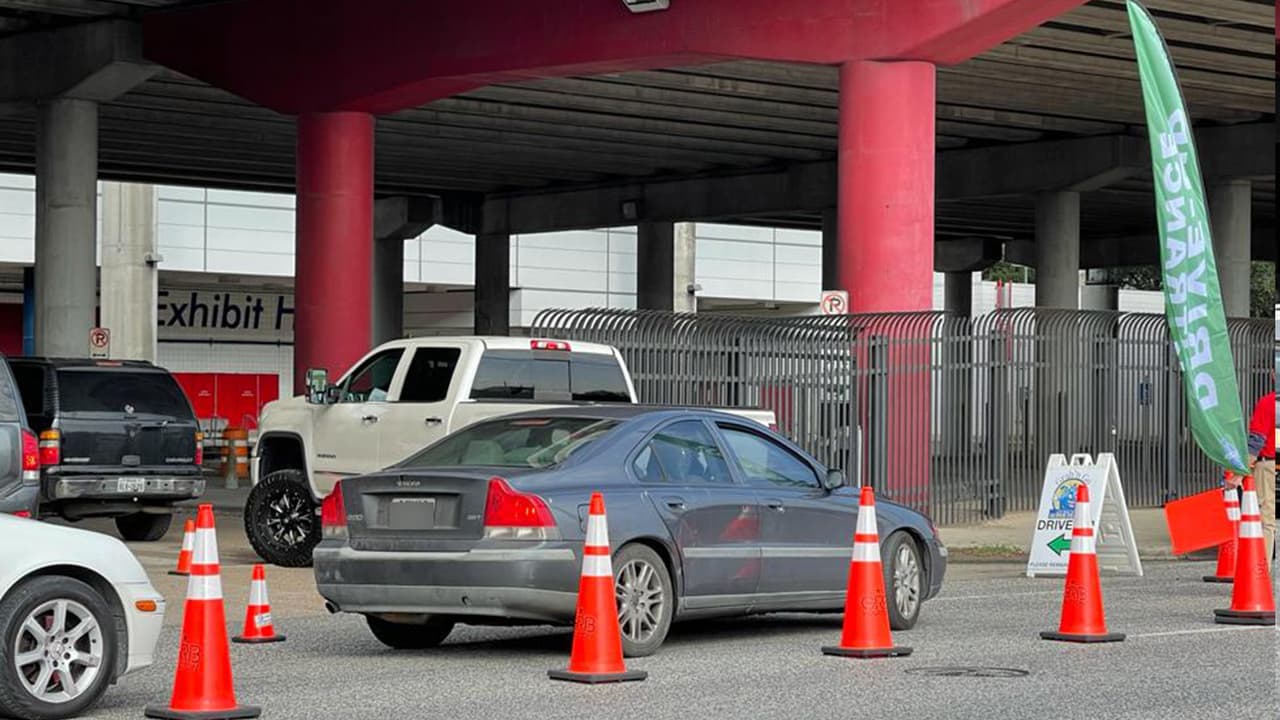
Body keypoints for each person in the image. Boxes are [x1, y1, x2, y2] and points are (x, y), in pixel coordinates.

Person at [1228, 382, 1275, 561]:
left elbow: (1257, 441)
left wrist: (1240, 473)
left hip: (1268, 464)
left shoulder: (1268, 402)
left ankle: (1260, 571)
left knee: (1266, 519)